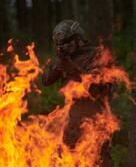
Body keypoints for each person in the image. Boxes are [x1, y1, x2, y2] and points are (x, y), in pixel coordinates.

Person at [42, 20, 111, 160]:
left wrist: (72, 70)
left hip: (95, 121)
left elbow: (95, 87)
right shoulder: (67, 58)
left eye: (67, 42)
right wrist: (59, 65)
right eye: (60, 45)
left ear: (78, 38)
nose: (64, 47)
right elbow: (46, 81)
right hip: (72, 122)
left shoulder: (98, 55)